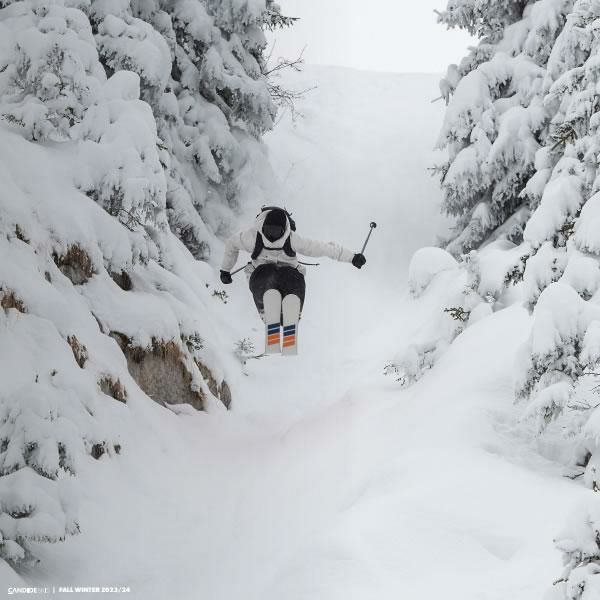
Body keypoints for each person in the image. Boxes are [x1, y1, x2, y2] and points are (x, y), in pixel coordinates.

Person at [220, 206, 366, 320]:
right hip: (261, 272)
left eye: (276, 231)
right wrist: (225, 269)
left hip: (287, 272)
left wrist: (352, 257)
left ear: (284, 230)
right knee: (266, 272)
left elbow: (323, 248)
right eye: (268, 230)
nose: (271, 235)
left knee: (291, 275)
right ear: (262, 227)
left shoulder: (292, 240)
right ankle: (266, 308)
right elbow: (231, 244)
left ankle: (292, 308)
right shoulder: (252, 238)